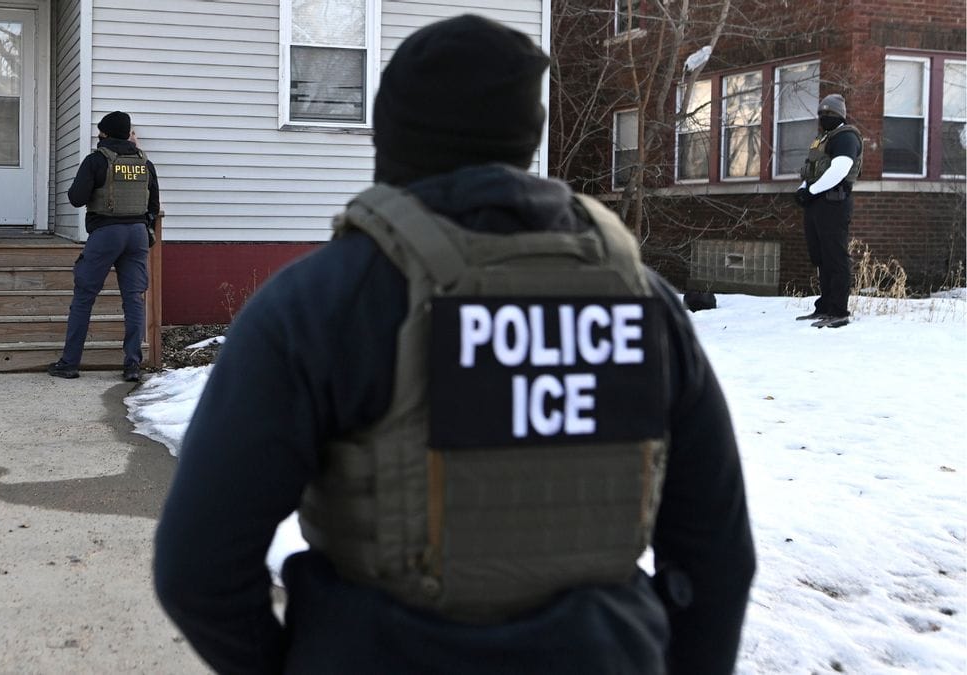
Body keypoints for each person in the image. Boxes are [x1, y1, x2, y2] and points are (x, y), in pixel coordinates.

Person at [154, 14, 755, 675]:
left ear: (391, 135)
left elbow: (198, 568)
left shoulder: (317, 305)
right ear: (527, 136)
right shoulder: (644, 301)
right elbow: (717, 556)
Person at [48, 111, 158, 382]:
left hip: (106, 232)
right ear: (128, 134)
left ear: (105, 134)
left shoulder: (96, 160)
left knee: (84, 298)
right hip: (138, 234)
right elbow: (153, 204)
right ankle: (132, 365)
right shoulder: (145, 163)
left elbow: (76, 198)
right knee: (133, 300)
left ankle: (70, 363)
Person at [794, 93, 862, 329]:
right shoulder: (822, 138)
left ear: (840, 115)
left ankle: (838, 311)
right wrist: (804, 189)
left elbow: (839, 170)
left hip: (834, 203)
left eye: (830, 113)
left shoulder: (846, 137)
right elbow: (811, 170)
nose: (825, 117)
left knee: (835, 257)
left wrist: (811, 191)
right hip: (817, 204)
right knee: (821, 257)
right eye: (822, 113)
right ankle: (824, 306)